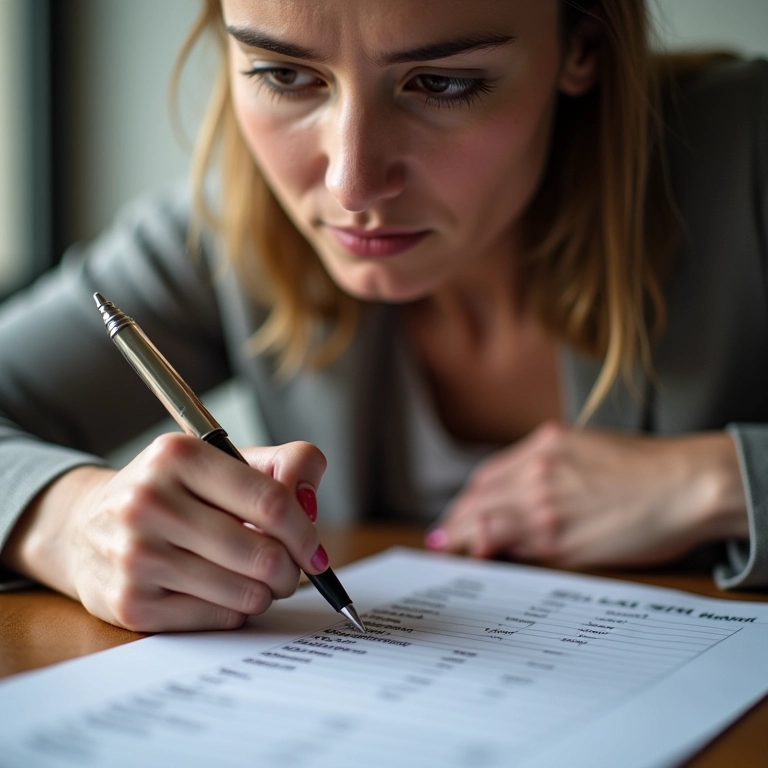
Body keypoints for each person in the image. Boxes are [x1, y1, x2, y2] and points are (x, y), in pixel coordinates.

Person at [0, 0, 766, 633]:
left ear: (583, 47)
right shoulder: (225, 234)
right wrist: (62, 521)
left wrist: (716, 481)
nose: (352, 182)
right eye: (283, 74)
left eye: (441, 82)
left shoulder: (747, 159)